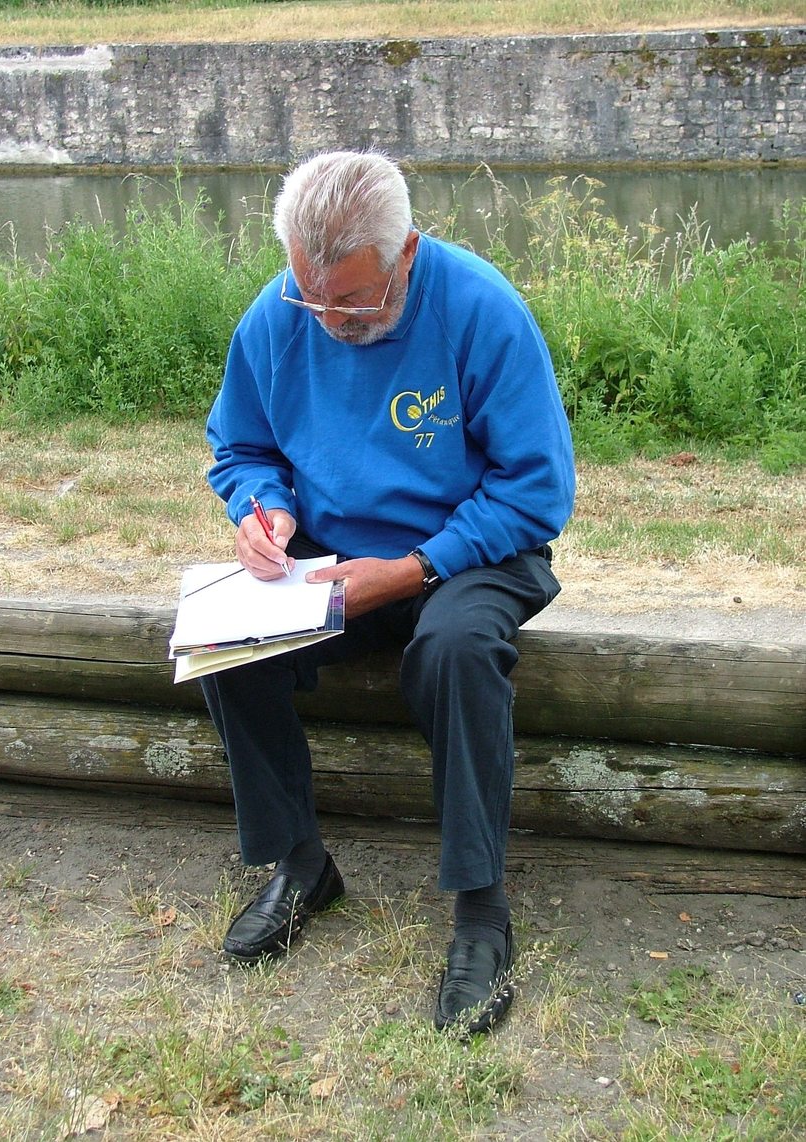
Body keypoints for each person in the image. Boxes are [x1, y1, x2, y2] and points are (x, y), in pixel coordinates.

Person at [200, 150, 575, 1035]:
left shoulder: (482, 309)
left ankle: (482, 913)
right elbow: (241, 445)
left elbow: (536, 488)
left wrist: (414, 569)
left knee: (453, 649)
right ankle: (299, 865)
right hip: (335, 555)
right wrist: (266, 513)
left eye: (353, 301)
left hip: (477, 550)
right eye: (311, 297)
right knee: (225, 638)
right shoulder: (277, 314)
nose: (328, 320)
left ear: (406, 252)